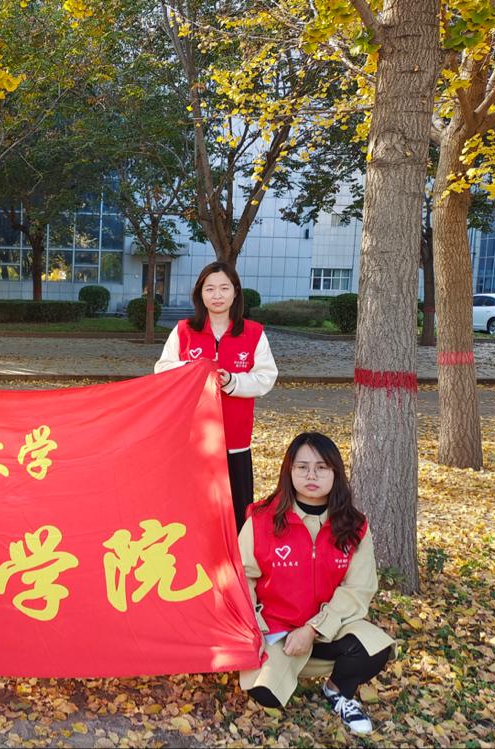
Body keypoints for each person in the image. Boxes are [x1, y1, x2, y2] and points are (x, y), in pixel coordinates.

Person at [238, 432, 395, 735]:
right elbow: (242, 579)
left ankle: (337, 689)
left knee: (376, 651)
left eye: (321, 467)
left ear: (335, 473)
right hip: (275, 633)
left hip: (328, 630)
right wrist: (255, 629)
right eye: (302, 467)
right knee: (265, 696)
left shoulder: (354, 526)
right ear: (289, 471)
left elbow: (358, 589)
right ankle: (282, 668)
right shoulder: (261, 520)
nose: (311, 475)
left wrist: (313, 629)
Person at [154, 261, 277, 530]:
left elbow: (266, 377)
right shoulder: (184, 330)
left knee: (236, 514)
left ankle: (236, 555)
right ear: (200, 293)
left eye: (224, 288)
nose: (217, 295)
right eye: (210, 289)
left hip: (236, 442)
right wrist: (194, 369)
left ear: (236, 292)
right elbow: (162, 369)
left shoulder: (253, 333)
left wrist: (233, 382)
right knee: (191, 514)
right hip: (192, 440)